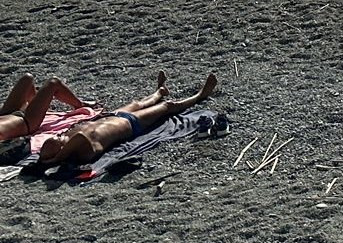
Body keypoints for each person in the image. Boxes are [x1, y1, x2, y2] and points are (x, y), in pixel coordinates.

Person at [35, 72, 217, 167]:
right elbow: (81, 138)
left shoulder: (69, 139)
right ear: (60, 151)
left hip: (114, 116)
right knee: (167, 107)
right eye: (58, 140)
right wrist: (57, 158)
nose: (60, 135)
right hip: (132, 124)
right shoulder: (83, 152)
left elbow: (77, 133)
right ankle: (200, 95)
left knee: (138, 102)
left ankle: (160, 90)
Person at [1, 75, 86, 143]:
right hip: (27, 122)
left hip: (6, 115)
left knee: (27, 78)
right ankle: (80, 105)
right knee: (53, 82)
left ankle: (37, 107)